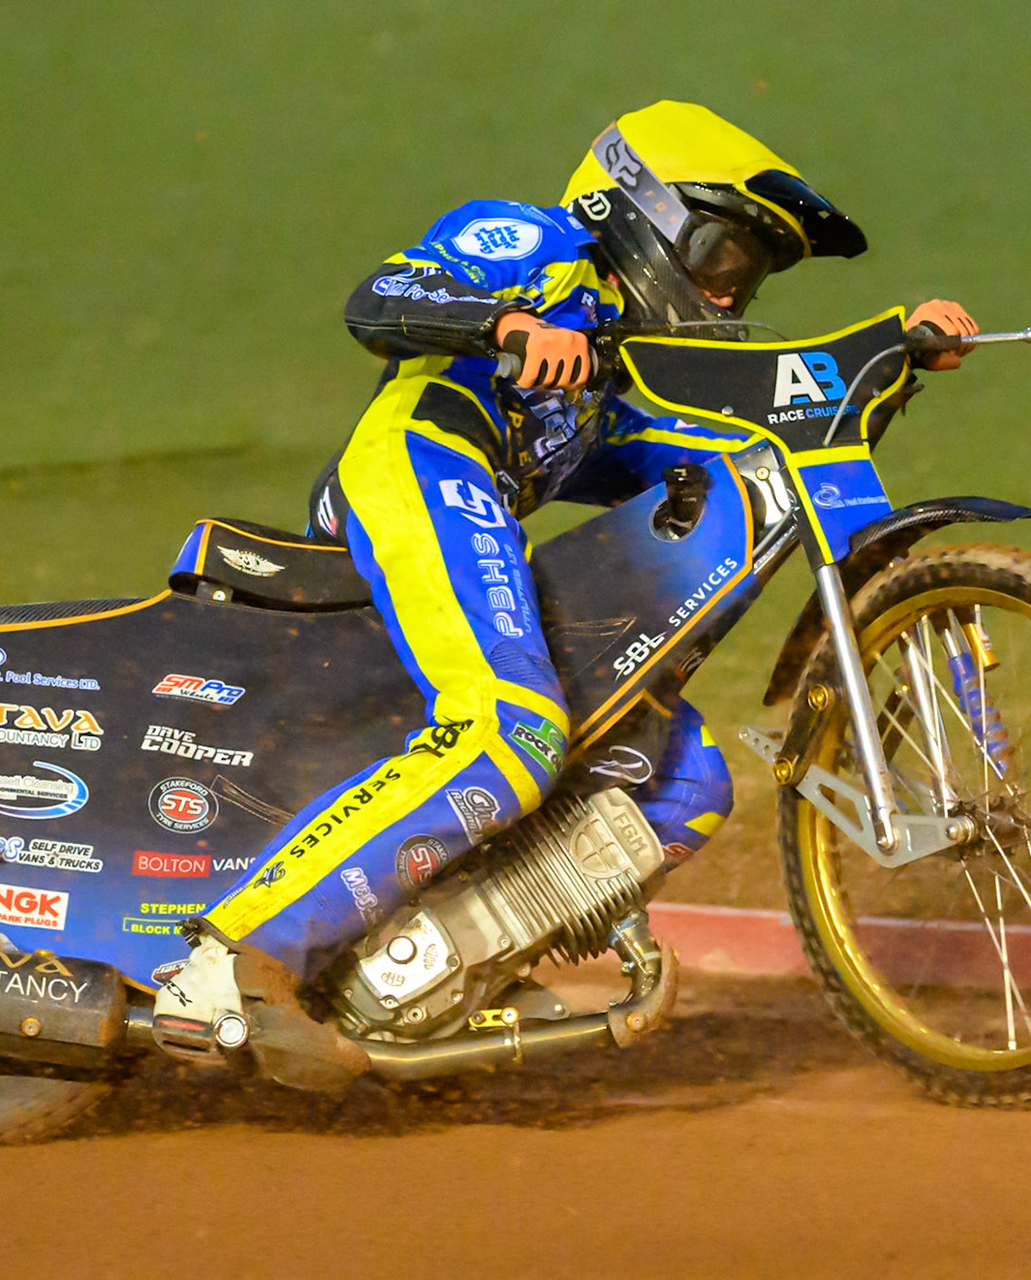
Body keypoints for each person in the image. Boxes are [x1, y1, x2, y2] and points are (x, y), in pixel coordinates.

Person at [153, 100, 977, 1085]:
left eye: (747, 277)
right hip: (420, 457)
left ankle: (427, 973)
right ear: (642, 211)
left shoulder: (626, 369)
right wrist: (504, 322)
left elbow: (732, 449)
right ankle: (228, 962)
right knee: (514, 726)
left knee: (682, 780)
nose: (727, 295)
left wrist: (890, 357)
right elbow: (377, 300)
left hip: (476, 498)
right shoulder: (539, 244)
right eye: (721, 258)